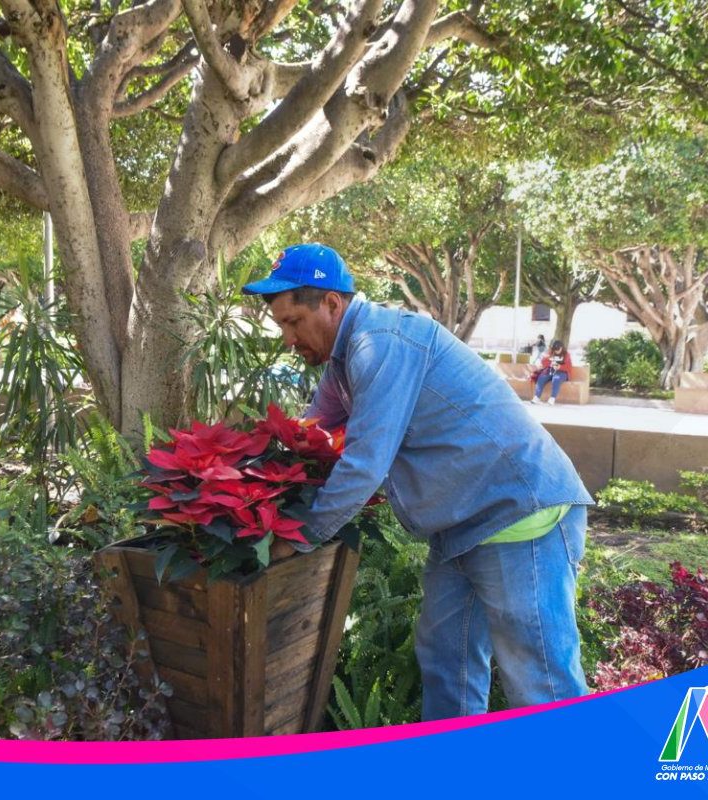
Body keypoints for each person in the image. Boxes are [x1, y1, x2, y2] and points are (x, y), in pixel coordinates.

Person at [242, 243, 593, 721]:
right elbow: (309, 433)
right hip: (460, 527)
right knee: (447, 666)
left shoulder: (380, 344)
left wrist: (297, 537)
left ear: (331, 304)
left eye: (293, 322)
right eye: (281, 325)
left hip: (518, 514)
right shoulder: (344, 360)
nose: (287, 339)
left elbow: (364, 465)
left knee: (542, 687)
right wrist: (243, 477)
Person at [531, 339, 572, 406]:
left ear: (561, 347)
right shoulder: (550, 353)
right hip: (551, 370)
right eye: (555, 350)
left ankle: (552, 398)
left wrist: (560, 367)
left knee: (556, 379)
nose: (557, 351)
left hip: (562, 372)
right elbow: (543, 361)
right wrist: (551, 363)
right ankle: (536, 397)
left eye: (558, 349)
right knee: (542, 378)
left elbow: (568, 366)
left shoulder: (566, 354)